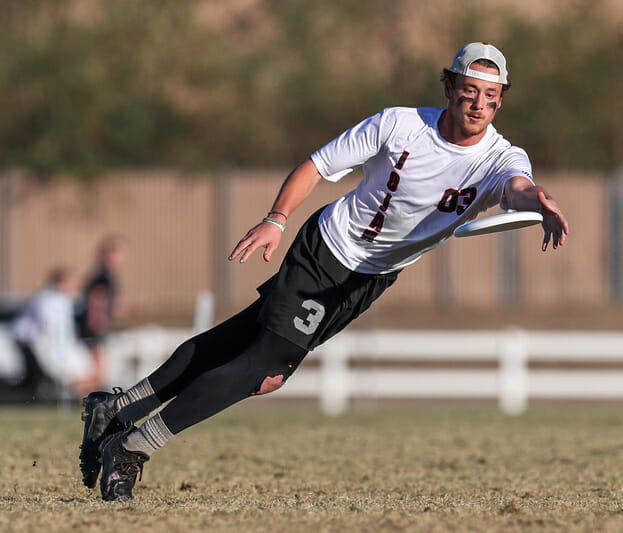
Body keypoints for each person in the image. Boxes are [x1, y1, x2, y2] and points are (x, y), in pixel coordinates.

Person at [79, 42, 570, 502]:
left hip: (370, 279)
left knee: (242, 338)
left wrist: (539, 203)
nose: (478, 104)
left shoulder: (501, 157)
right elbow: (316, 166)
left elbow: (518, 187)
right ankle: (133, 446)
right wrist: (276, 219)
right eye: (469, 91)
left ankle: (118, 408)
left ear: (500, 101)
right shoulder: (398, 125)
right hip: (327, 250)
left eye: (490, 95)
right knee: (266, 368)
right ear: (448, 89)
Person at [10, 267, 97, 400]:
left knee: (87, 370)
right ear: (61, 283)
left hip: (62, 347)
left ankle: (85, 401)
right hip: (46, 347)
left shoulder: (65, 301)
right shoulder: (47, 300)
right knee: (74, 373)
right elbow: (47, 328)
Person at [75, 235, 127, 392]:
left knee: (98, 374)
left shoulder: (107, 276)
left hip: (95, 329)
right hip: (94, 330)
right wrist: (97, 326)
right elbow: (96, 303)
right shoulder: (103, 277)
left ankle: (81, 398)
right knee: (97, 374)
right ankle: (74, 391)